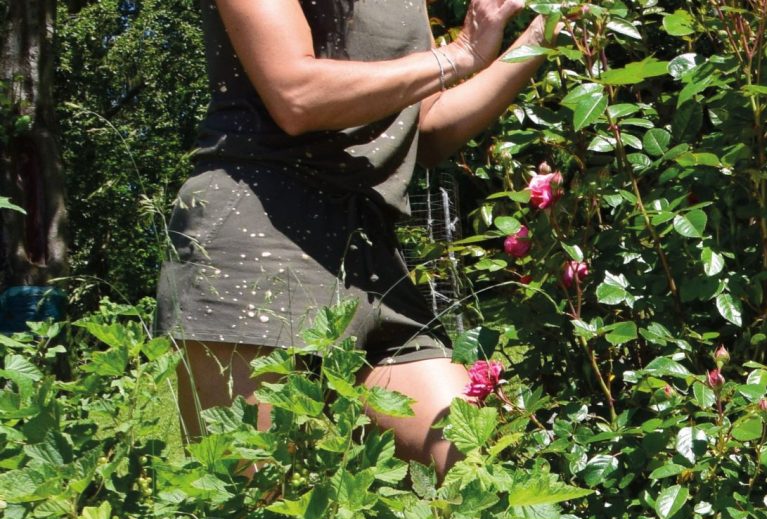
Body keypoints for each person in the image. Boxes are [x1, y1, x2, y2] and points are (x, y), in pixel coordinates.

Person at [156, 0, 549, 477]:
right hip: (256, 238)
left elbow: (424, 131)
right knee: (256, 512)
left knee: (478, 474)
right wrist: (461, 52)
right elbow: (295, 93)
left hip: (368, 249)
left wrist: (542, 39)